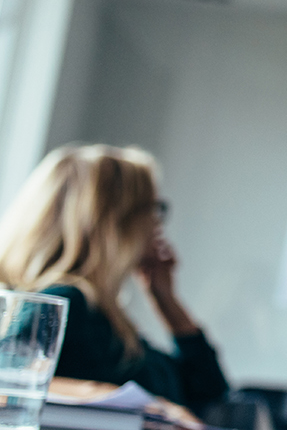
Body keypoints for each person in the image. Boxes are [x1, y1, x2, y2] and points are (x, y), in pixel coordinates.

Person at [0, 145, 230, 414]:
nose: (157, 224)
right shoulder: (66, 300)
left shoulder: (103, 315)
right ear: (114, 221)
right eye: (152, 209)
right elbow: (9, 380)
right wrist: (143, 405)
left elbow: (209, 390)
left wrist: (165, 299)